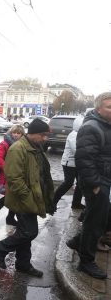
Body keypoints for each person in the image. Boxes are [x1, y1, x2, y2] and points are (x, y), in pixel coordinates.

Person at [0, 118, 54, 277]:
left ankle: (23, 264)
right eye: (43, 135)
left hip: (34, 196)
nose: (45, 138)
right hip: (23, 199)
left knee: (25, 231)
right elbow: (14, 178)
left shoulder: (36, 146)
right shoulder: (18, 149)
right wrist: (28, 197)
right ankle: (0, 248)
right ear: (32, 133)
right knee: (29, 232)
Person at [66, 92, 111, 279]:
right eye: (109, 107)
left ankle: (77, 241)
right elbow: (85, 159)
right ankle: (86, 261)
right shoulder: (91, 127)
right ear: (99, 108)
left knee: (103, 219)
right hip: (98, 183)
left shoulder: (106, 125)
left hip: (106, 180)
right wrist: (95, 185)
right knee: (94, 222)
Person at [0, 125, 25, 225]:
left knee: (14, 196)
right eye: (14, 132)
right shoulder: (5, 144)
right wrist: (8, 169)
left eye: (18, 133)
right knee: (10, 196)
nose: (16, 135)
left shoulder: (22, 144)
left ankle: (9, 217)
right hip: (7, 174)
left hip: (18, 174)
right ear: (11, 133)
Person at [52, 116, 85, 210]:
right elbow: (76, 150)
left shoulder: (80, 134)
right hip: (69, 163)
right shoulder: (74, 135)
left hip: (77, 163)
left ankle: (76, 203)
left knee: (80, 183)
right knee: (68, 183)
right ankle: (53, 201)